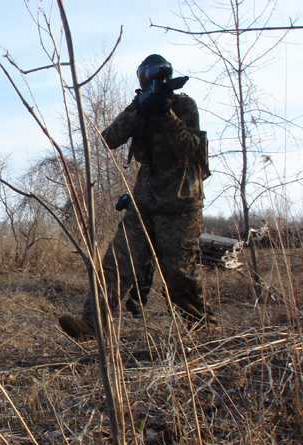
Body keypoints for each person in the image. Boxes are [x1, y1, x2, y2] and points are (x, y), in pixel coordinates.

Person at [59, 54, 215, 340]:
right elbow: (108, 138)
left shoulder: (183, 105)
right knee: (116, 263)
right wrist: (140, 111)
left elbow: (188, 149)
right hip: (144, 202)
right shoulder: (139, 106)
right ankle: (91, 327)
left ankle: (202, 331)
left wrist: (165, 113)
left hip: (180, 203)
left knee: (180, 275)